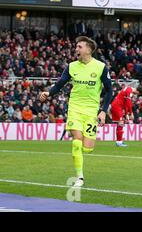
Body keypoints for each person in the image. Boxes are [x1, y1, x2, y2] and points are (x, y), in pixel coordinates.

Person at [39, 36, 112, 187]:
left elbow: (109, 90)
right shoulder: (72, 66)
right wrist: (48, 93)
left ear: (89, 49)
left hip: (91, 111)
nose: (76, 49)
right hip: (75, 108)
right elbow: (60, 84)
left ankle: (84, 158)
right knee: (76, 143)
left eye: (79, 47)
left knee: (87, 148)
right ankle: (80, 177)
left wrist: (103, 111)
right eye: (76, 46)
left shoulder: (100, 67)